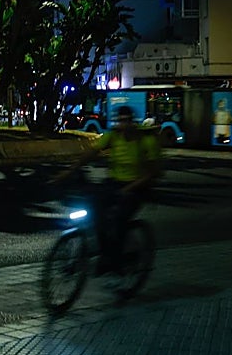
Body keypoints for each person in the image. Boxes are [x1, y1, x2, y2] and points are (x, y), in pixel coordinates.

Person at [57, 104, 162, 274]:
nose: (123, 125)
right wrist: (70, 171)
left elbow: (152, 173)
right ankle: (105, 254)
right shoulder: (113, 136)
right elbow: (92, 152)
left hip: (138, 187)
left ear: (132, 122)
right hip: (115, 183)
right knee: (95, 209)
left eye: (127, 121)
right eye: (120, 121)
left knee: (119, 219)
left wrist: (129, 188)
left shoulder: (145, 140)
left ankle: (117, 261)